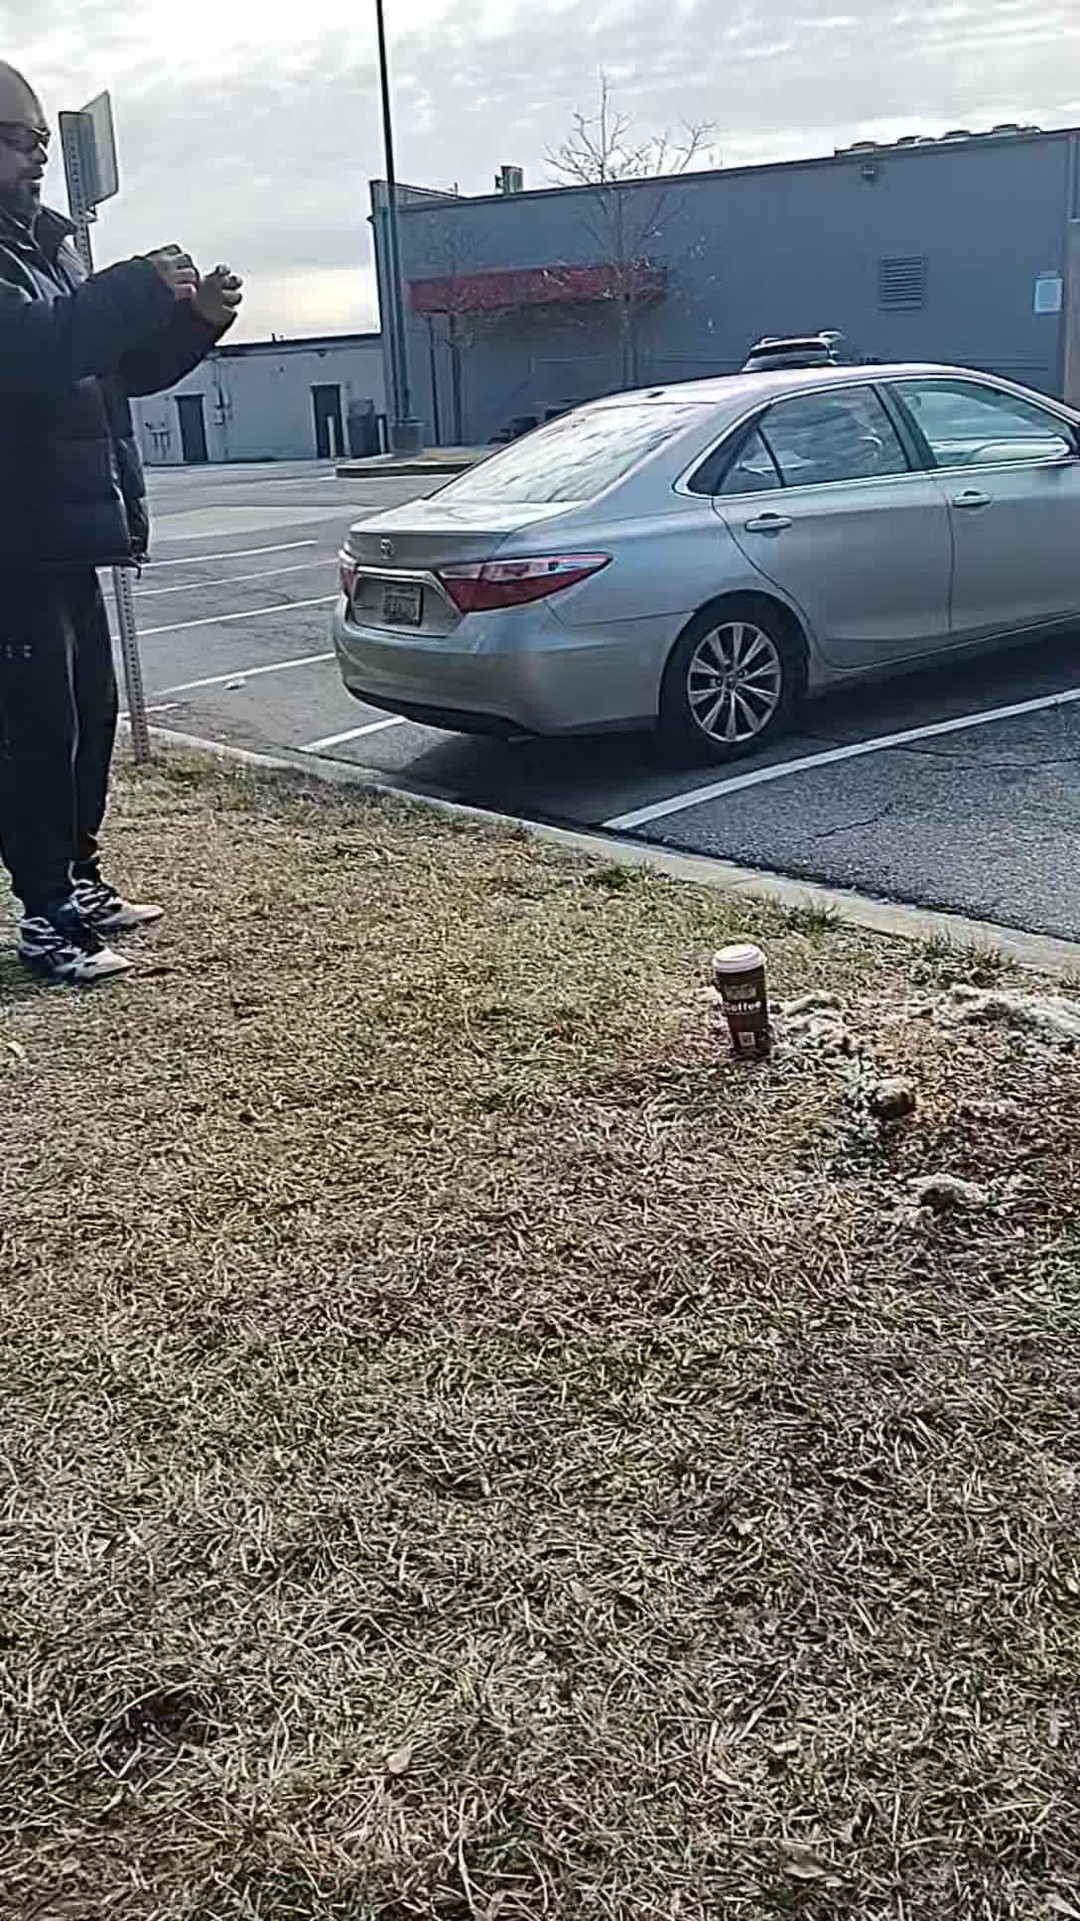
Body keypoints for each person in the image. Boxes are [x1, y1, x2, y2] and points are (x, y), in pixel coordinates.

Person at [0, 61, 243, 983]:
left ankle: (77, 877)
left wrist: (194, 323)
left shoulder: (48, 247)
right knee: (33, 732)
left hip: (65, 530)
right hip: (11, 540)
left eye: (39, 141)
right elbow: (32, 349)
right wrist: (137, 286)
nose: (37, 158)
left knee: (87, 713)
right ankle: (44, 913)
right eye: (18, 140)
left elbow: (111, 370)